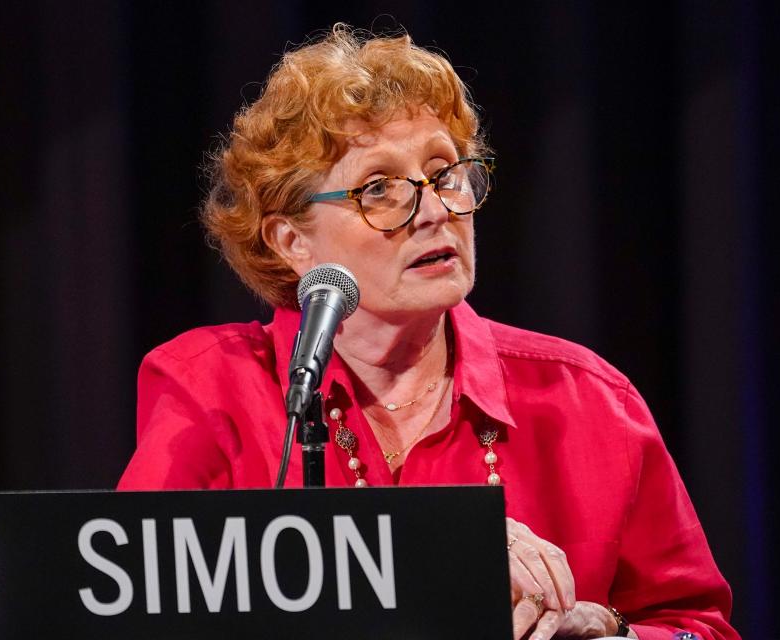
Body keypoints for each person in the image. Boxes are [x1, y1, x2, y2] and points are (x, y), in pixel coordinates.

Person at [118, 25, 739, 640]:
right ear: (292, 241)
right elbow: (134, 613)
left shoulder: (588, 401)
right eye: (379, 189)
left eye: (445, 172)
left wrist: (607, 633)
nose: (437, 210)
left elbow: (697, 628)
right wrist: (444, 553)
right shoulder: (211, 389)